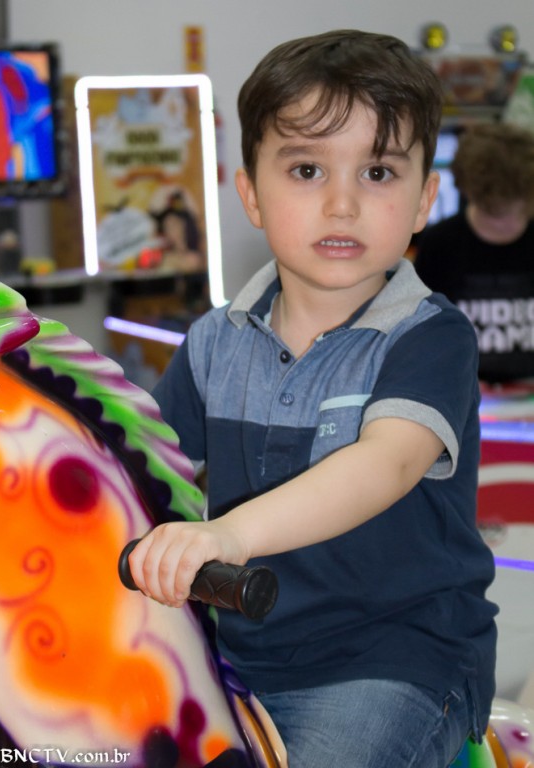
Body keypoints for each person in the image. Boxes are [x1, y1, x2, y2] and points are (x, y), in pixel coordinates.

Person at [128, 29, 498, 768]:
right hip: (241, 652)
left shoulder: (430, 338)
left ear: (425, 200)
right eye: (306, 169)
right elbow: (138, 464)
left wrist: (228, 536)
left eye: (378, 172)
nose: (342, 203)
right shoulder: (216, 342)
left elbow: (383, 465)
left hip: (394, 660)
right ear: (251, 195)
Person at [414, 122, 534, 384]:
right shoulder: (440, 244)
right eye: (494, 212)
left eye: (515, 210)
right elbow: (425, 331)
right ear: (469, 193)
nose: (505, 225)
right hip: (463, 387)